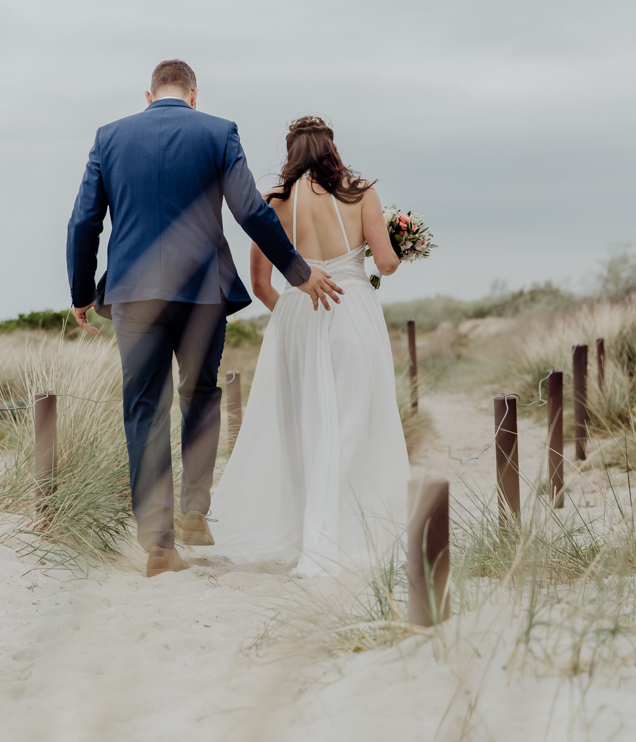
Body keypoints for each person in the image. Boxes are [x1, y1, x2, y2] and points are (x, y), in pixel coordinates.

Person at [66, 61, 343, 578]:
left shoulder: (109, 137)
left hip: (135, 296)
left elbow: (85, 219)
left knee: (146, 409)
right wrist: (298, 271)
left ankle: (158, 544)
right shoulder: (218, 131)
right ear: (194, 95)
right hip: (201, 293)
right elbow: (251, 211)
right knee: (201, 393)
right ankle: (194, 511)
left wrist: (82, 291)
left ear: (149, 95)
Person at [209, 116, 411, 577]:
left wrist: (295, 314)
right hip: (353, 309)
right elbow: (385, 263)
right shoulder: (362, 192)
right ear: (331, 149)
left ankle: (308, 532)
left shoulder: (274, 203)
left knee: (305, 427)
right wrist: (402, 246)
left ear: (290, 154)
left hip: (299, 317)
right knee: (357, 423)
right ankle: (345, 532)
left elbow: (261, 284)